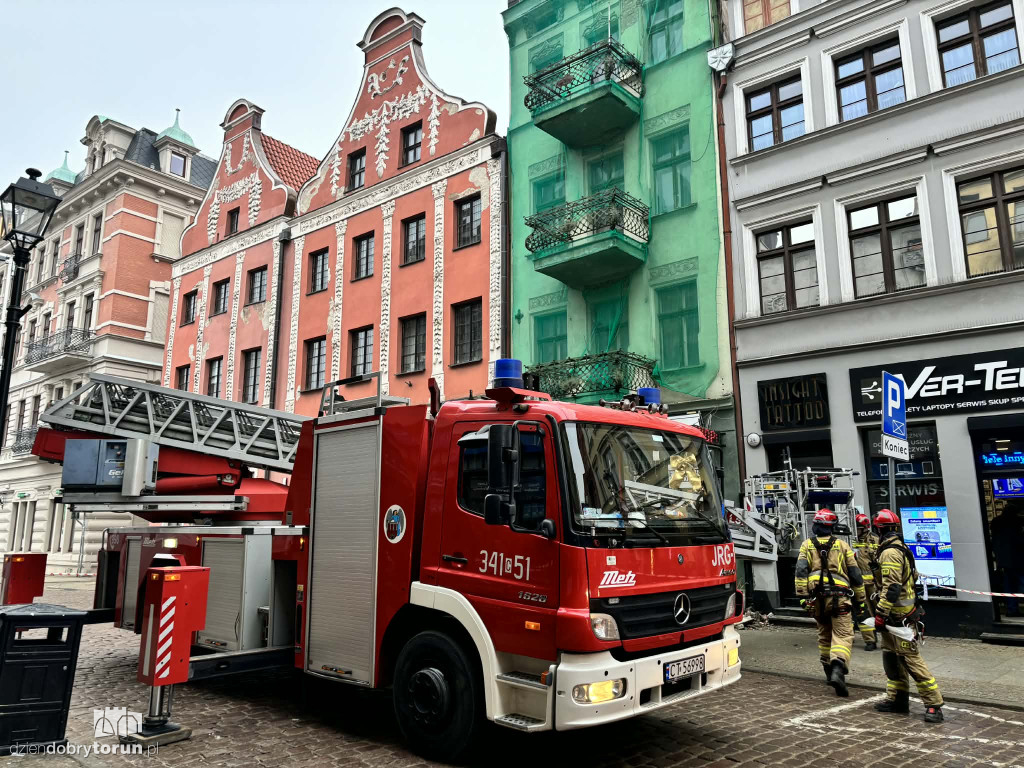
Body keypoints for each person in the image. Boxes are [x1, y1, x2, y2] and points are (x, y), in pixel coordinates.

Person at [871, 509, 944, 723]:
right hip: (895, 618)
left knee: (912, 661)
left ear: (879, 529)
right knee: (891, 660)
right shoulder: (897, 548)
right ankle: (898, 700)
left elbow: (892, 588)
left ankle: (933, 704)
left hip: (899, 619)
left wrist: (880, 614)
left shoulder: (890, 553)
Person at [795, 509, 868, 697]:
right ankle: (837, 667)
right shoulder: (843, 546)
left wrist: (803, 598)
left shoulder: (806, 545)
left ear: (816, 526)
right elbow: (855, 575)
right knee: (843, 635)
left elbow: (801, 572)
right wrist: (860, 601)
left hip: (817, 599)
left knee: (824, 634)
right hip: (840, 597)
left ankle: (828, 673)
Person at [991, 500, 1024, 617]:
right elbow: (1019, 540)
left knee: (1009, 585)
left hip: (1003, 561)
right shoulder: (1017, 522)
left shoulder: (996, 522)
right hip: (1019, 559)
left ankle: (1011, 609)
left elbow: (994, 541)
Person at [853, 512, 880, 651]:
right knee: (863, 613)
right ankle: (870, 640)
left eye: (857, 527)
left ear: (865, 528)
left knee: (880, 612)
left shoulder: (874, 540)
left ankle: (889, 640)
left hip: (874, 585)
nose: (855, 530)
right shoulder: (850, 540)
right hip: (858, 584)